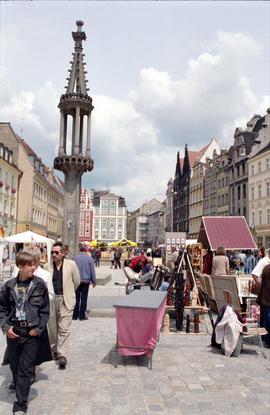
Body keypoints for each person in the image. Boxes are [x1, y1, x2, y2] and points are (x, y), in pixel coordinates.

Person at [0, 251, 50, 414]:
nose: (33, 267)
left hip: (31, 333)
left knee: (26, 368)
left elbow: (45, 310)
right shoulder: (9, 286)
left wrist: (39, 328)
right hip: (15, 332)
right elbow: (2, 309)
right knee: (14, 366)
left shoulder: (39, 284)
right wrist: (6, 328)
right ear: (20, 267)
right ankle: (19, 386)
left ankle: (21, 403)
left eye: (34, 264)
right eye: (30, 265)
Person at [44, 242, 80, 369]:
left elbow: (77, 281)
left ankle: (62, 354)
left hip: (66, 300)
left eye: (56, 252)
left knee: (64, 328)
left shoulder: (71, 265)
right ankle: (54, 349)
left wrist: (69, 293)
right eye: (52, 252)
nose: (54, 254)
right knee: (53, 329)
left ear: (62, 253)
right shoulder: (47, 266)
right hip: (51, 301)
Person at [73, 246, 96, 321]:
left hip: (77, 280)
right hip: (86, 281)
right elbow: (92, 271)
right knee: (84, 298)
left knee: (77, 298)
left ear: (80, 250)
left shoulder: (75, 258)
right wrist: (94, 281)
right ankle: (82, 315)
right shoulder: (90, 259)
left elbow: (73, 270)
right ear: (86, 251)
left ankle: (75, 315)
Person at [256, 264, 270, 347]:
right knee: (267, 320)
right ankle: (267, 341)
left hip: (264, 298)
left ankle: (265, 339)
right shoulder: (267, 268)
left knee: (265, 319)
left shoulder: (266, 267)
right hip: (267, 299)